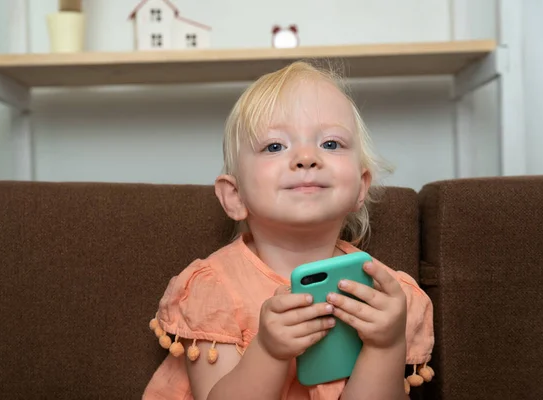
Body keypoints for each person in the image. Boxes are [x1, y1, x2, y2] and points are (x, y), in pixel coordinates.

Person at [143, 60, 434, 400]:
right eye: (275, 146)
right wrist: (268, 351)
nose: (307, 157)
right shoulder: (215, 289)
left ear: (360, 188)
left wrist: (385, 345)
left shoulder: (384, 297)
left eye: (331, 144)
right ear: (235, 196)